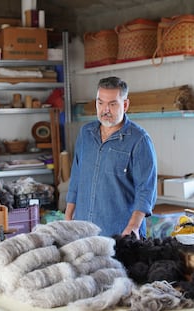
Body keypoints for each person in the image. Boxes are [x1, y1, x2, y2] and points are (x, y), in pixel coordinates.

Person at [65, 76, 157, 239]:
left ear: (125, 105)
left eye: (112, 104)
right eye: (100, 103)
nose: (105, 109)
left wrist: (133, 227)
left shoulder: (139, 140)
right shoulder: (85, 134)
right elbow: (76, 178)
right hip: (84, 234)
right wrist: (67, 219)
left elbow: (146, 190)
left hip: (119, 235)